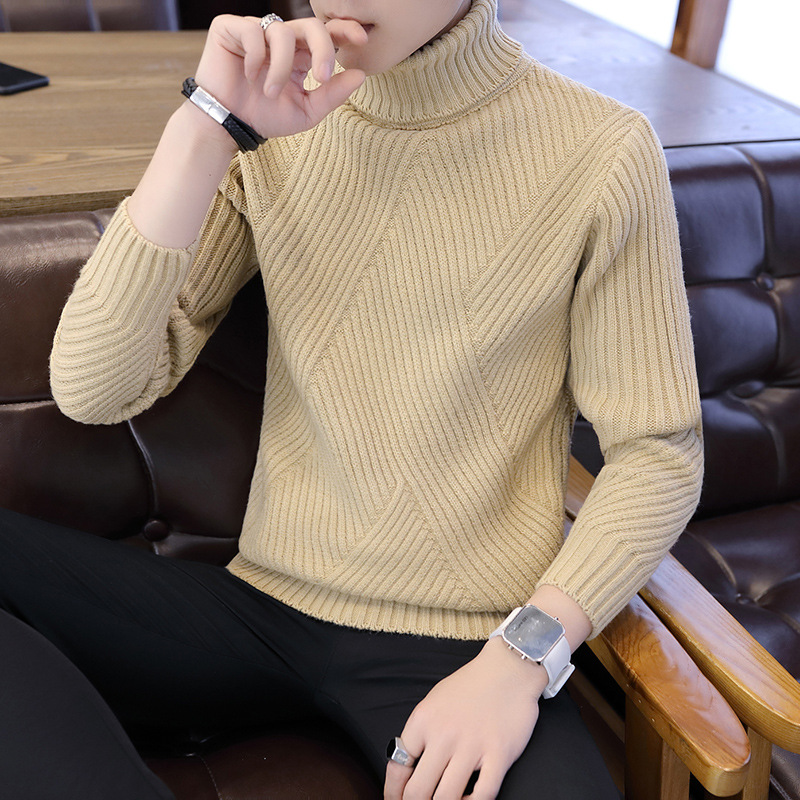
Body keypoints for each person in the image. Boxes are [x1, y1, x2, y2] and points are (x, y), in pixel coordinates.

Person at [0, 0, 703, 798]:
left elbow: (658, 455)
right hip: (258, 610)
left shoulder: (602, 150)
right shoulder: (272, 123)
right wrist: (206, 125)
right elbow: (95, 388)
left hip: (466, 648)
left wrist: (520, 658)